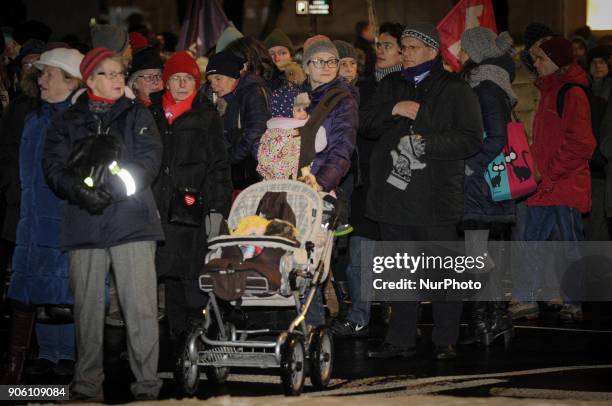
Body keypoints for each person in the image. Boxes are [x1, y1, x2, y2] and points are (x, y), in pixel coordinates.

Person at [43, 47, 164, 401]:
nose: (117, 80)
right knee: (87, 312)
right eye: (108, 74)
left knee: (140, 310)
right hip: (85, 225)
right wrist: (81, 193)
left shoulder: (138, 114)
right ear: (90, 79)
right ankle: (86, 385)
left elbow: (148, 161)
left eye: (119, 74)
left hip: (132, 222)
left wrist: (108, 189)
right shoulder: (66, 121)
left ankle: (147, 387)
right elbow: (53, 167)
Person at [361, 23, 482, 360]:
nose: (405, 52)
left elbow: (472, 137)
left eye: (412, 47)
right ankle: (400, 339)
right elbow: (365, 122)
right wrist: (393, 110)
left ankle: (445, 339)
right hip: (393, 195)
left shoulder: (455, 88)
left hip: (434, 196)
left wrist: (428, 144)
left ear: (432, 50)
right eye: (404, 47)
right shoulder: (392, 85)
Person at [0, 47, 83, 384]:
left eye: (48, 73)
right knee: (35, 285)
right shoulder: (34, 118)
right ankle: (47, 353)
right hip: (31, 216)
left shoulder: (80, 120)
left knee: (63, 287)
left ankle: (69, 355)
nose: (41, 78)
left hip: (64, 215)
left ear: (70, 79)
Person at [510, 37, 596, 323]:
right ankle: (526, 299)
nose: (535, 64)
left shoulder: (571, 94)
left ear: (556, 61)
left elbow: (582, 144)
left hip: (563, 183)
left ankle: (572, 301)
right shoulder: (550, 90)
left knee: (568, 245)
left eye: (541, 59)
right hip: (546, 183)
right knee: (531, 241)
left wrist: (549, 172)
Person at [150, 51, 232, 339]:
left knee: (191, 271)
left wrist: (217, 209)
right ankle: (176, 335)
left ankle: (199, 334)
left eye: (188, 79)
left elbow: (218, 166)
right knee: (165, 273)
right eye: (176, 78)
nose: (182, 84)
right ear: (166, 82)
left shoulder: (207, 116)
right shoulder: (152, 114)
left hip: (190, 205)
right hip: (157, 204)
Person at [458, 28, 517, 346]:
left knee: (477, 255)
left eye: (464, 51)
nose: (459, 57)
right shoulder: (493, 84)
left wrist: (470, 166)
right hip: (490, 187)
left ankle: (484, 322)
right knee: (485, 254)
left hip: (481, 187)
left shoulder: (485, 88)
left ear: (476, 53)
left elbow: (496, 137)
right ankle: (497, 320)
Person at [206, 50, 271, 190]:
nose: (213, 85)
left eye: (218, 78)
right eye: (210, 80)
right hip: (228, 172)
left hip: (249, 173)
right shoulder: (216, 95)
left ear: (234, 76)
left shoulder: (253, 92)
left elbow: (255, 132)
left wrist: (229, 158)